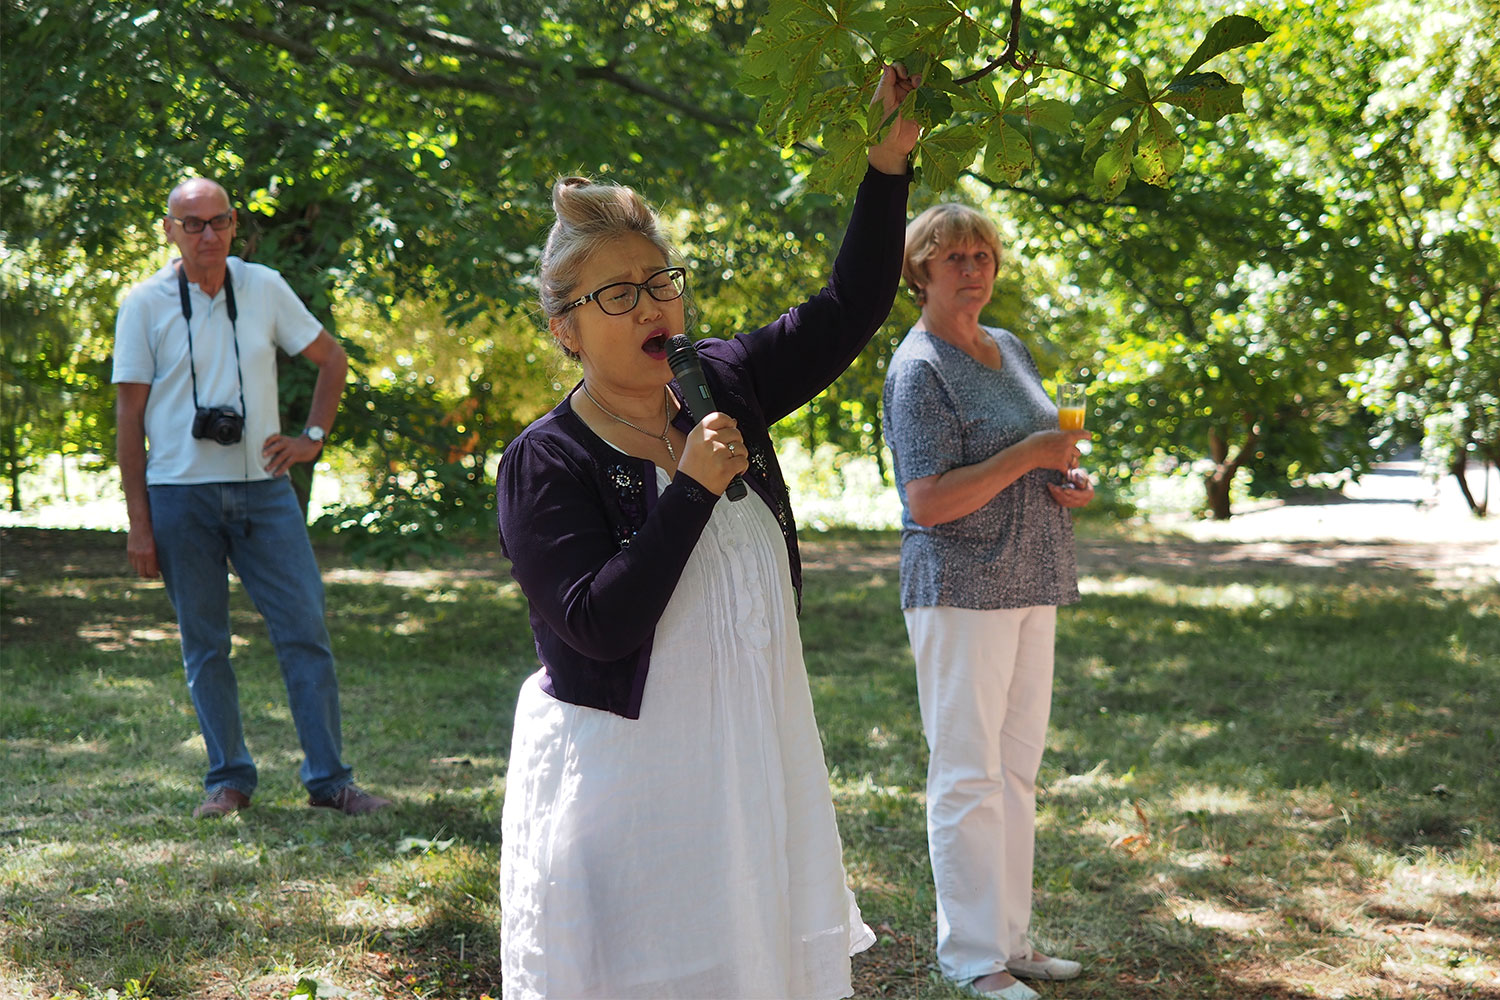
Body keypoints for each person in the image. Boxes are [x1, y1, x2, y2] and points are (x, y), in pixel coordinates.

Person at [494, 66, 918, 1000]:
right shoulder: (545, 460)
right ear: (565, 328)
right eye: (616, 295)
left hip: (754, 751)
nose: (651, 306)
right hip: (634, 786)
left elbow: (847, 309)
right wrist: (687, 489)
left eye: (660, 283)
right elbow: (598, 625)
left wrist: (886, 168)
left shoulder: (723, 383)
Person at [113, 177, 390, 819]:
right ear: (169, 230)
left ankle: (330, 781)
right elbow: (129, 418)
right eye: (193, 224)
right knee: (204, 643)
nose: (208, 235)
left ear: (235, 225)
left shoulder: (263, 286)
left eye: (220, 221)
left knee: (305, 631)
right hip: (180, 496)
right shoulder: (144, 305)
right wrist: (138, 523)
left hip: (266, 492)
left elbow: (331, 358)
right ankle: (228, 780)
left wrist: (312, 438)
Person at [881, 203, 1094, 1000]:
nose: (973, 270)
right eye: (954, 258)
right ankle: (973, 959)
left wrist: (1064, 478)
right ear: (921, 272)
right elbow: (928, 501)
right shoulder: (918, 368)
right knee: (967, 774)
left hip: (1032, 578)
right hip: (962, 587)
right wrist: (1030, 453)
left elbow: (1042, 452)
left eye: (983, 256)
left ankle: (1012, 941)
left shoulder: (1008, 348)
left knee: (1015, 770)